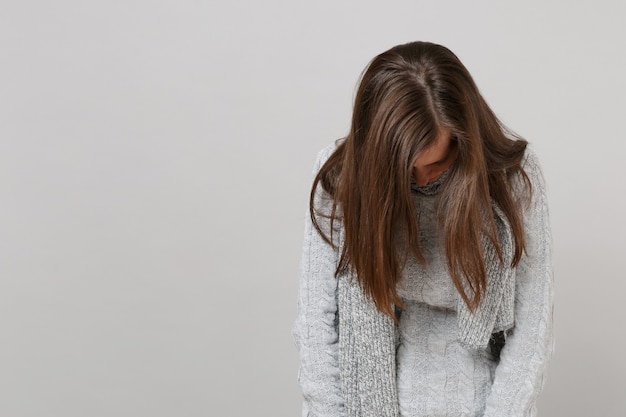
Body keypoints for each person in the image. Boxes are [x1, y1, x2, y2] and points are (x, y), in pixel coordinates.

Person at [292, 41, 554, 417]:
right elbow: (317, 329)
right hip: (364, 393)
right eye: (404, 169)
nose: (421, 180)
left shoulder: (513, 179)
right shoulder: (340, 177)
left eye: (437, 164)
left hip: (477, 393)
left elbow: (531, 331)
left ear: (465, 140)